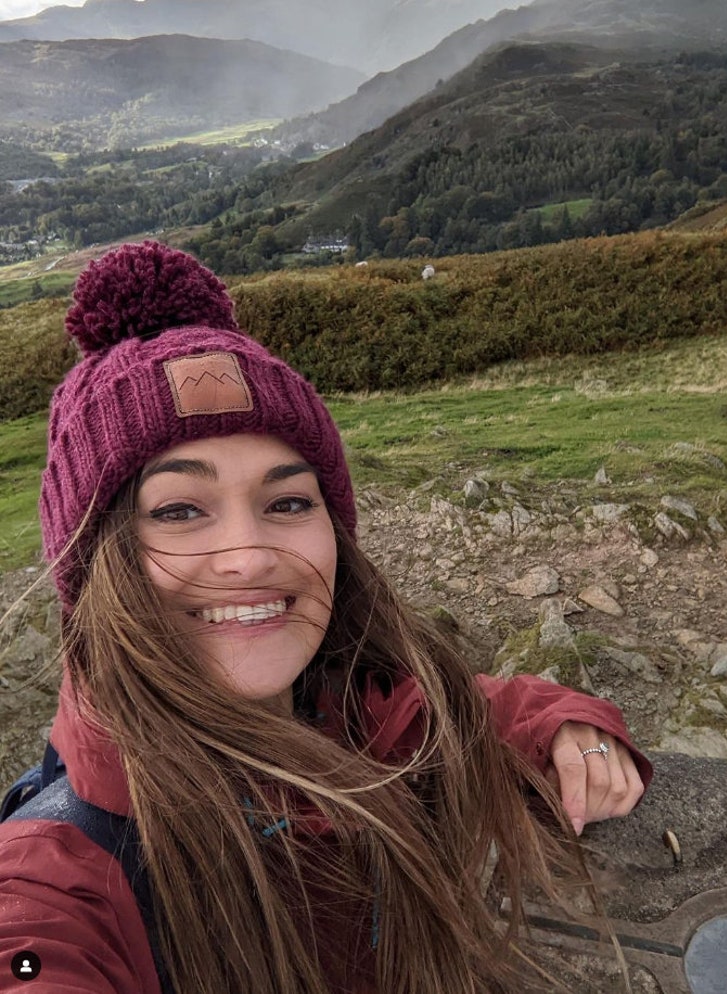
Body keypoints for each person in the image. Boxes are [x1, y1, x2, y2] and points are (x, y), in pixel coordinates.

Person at [0, 241, 651, 994]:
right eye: (179, 510)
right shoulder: (51, 885)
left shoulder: (348, 713)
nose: (248, 557)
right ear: (95, 566)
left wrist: (564, 725)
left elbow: (459, 709)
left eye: (288, 503)